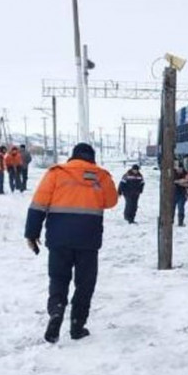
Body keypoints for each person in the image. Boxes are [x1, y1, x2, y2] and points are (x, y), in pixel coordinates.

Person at [25, 143, 118, 343]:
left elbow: (38, 205)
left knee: (58, 279)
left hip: (59, 240)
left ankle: (57, 311)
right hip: (88, 240)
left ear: (72, 157)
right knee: (85, 284)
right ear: (92, 158)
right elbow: (111, 202)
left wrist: (31, 234)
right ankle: (77, 325)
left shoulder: (56, 173)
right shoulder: (101, 176)